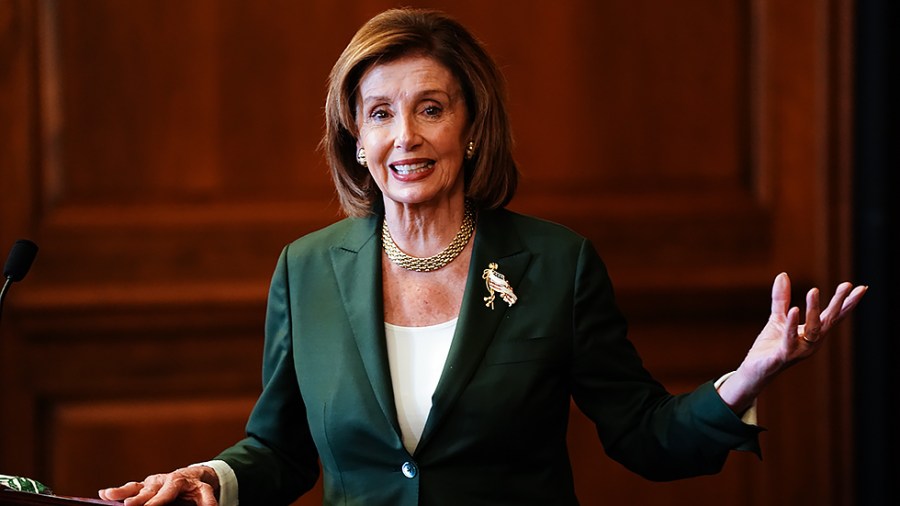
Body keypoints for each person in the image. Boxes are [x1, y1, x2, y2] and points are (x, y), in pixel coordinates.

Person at [99, 8, 867, 506]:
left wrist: (747, 378)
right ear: (357, 143)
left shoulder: (556, 263)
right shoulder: (306, 270)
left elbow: (645, 435)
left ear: (470, 128)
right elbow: (281, 449)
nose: (406, 136)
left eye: (431, 108)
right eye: (380, 114)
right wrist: (212, 478)